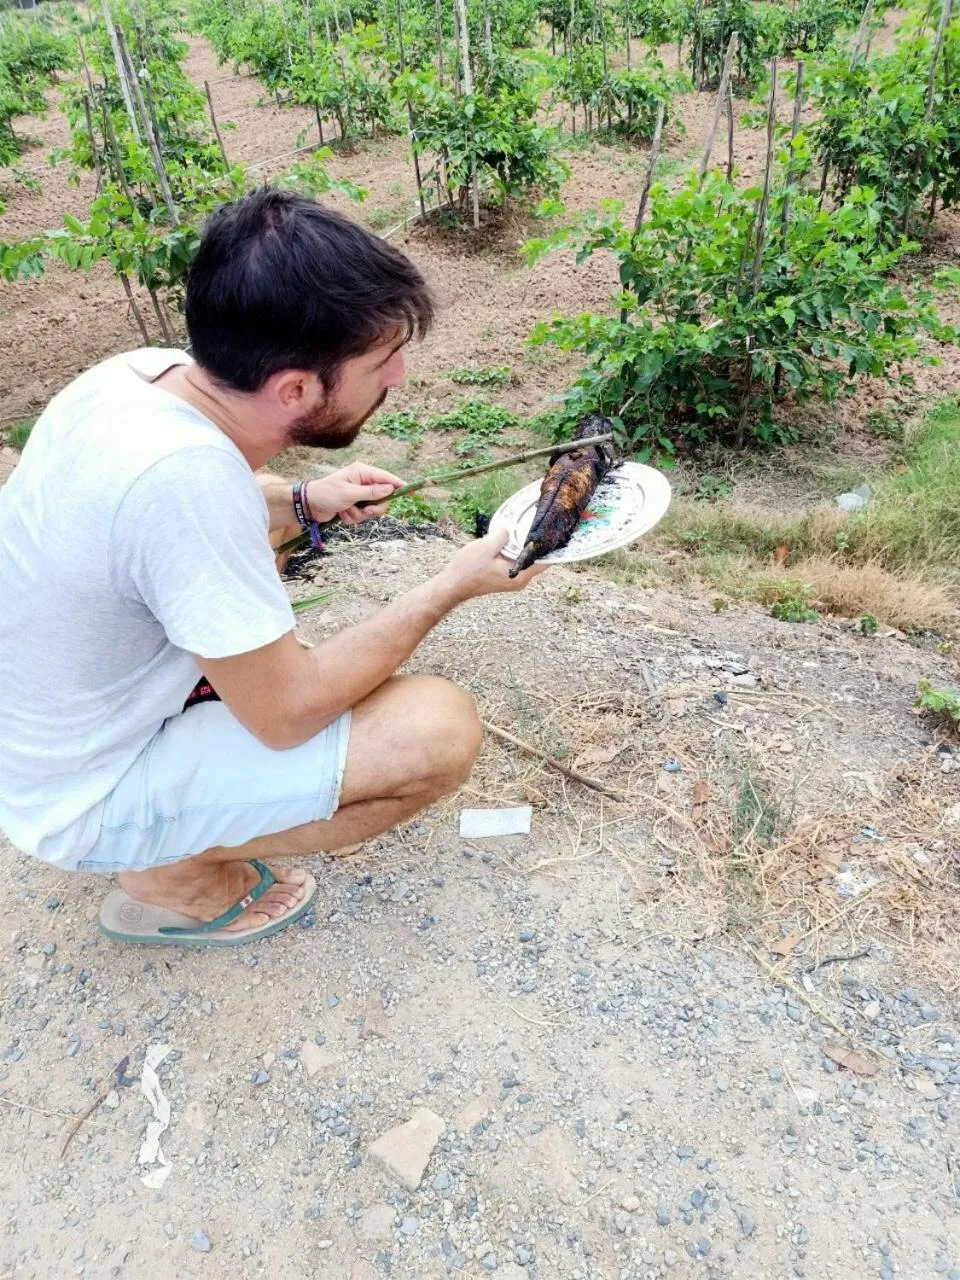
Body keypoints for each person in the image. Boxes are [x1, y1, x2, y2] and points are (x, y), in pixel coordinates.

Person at [0, 189, 544, 946]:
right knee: (435, 732)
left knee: (263, 564)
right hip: (80, 788)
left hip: (38, 727)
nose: (399, 378)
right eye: (381, 362)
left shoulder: (139, 376)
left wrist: (303, 499)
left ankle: (174, 828)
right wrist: (448, 585)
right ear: (295, 388)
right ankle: (171, 872)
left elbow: (179, 522)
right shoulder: (184, 485)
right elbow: (286, 713)